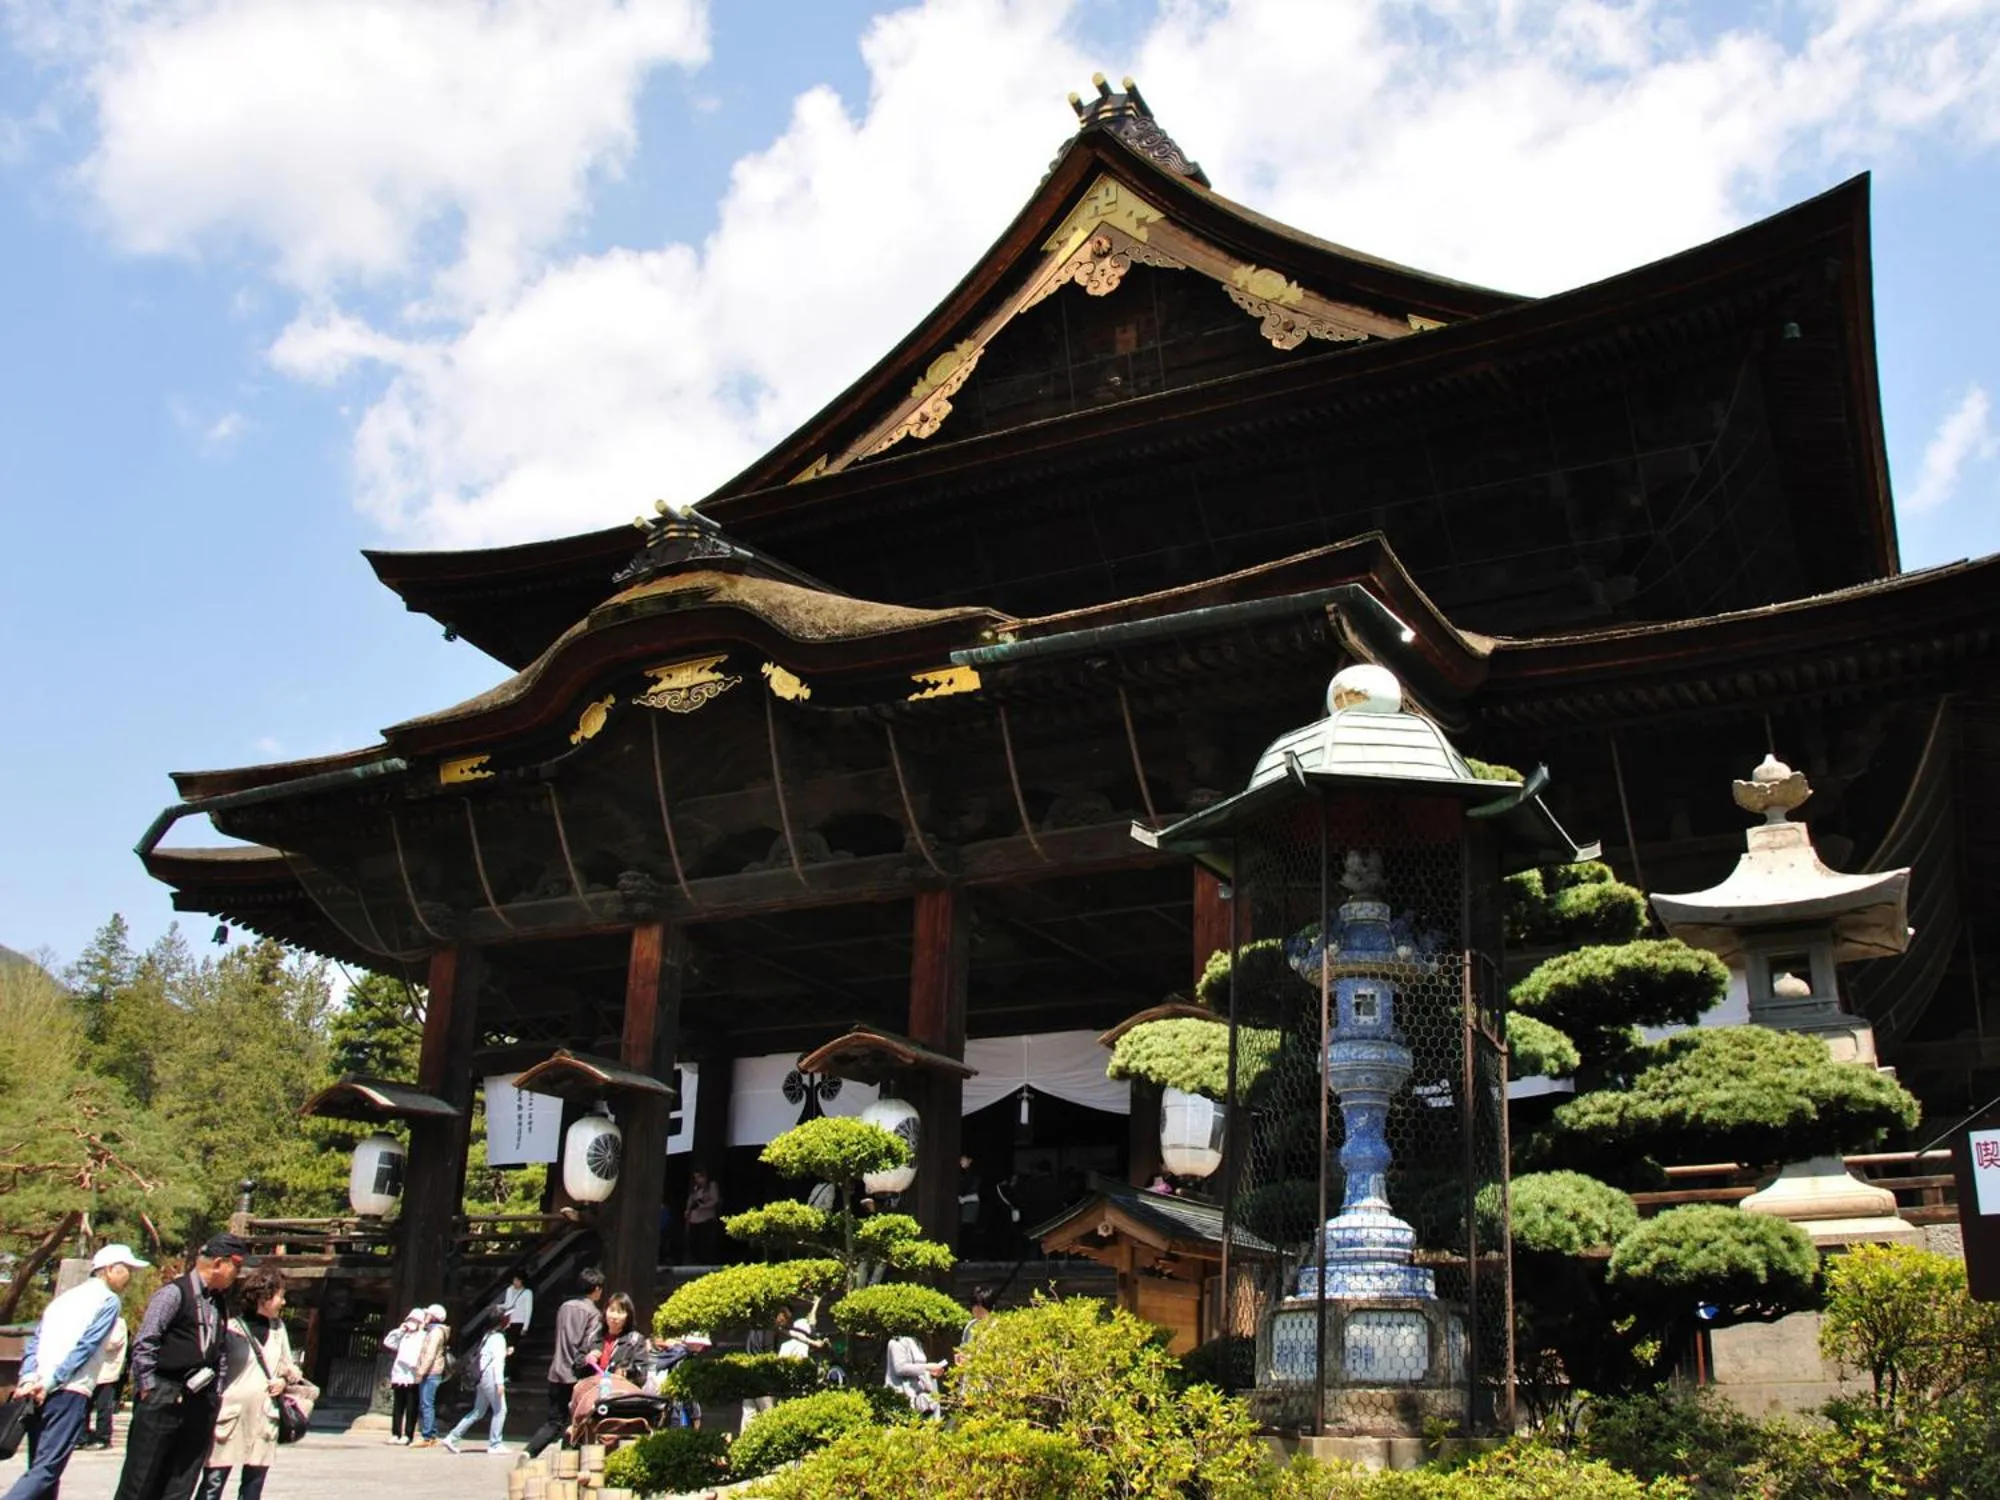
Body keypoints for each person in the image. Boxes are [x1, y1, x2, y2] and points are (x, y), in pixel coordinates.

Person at [3, 1241, 146, 1500]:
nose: (130, 1277)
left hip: (36, 1387)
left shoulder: (63, 1300)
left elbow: (36, 1339)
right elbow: (86, 1346)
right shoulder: (108, 1300)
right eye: (127, 1270)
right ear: (109, 1269)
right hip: (68, 1389)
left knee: (40, 1468)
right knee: (47, 1468)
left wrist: (29, 1377)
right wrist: (52, 1381)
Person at [112, 1233, 246, 1500]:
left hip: (200, 1399)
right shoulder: (174, 1293)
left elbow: (219, 1350)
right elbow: (146, 1340)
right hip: (164, 1392)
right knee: (141, 1479)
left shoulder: (218, 1301)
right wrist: (148, 1388)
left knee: (181, 1481)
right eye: (236, 1266)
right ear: (218, 1263)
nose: (237, 1274)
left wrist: (216, 1393)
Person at [201, 1264, 304, 1500]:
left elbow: (289, 1366)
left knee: (254, 1483)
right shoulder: (231, 1328)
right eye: (280, 1296)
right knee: (214, 1480)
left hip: (264, 1414)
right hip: (231, 1413)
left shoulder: (278, 1329)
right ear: (263, 1296)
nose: (283, 1302)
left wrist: (283, 1380)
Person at [523, 1267, 604, 1458]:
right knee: (577, 1421)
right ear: (596, 1289)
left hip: (556, 1370)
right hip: (575, 1375)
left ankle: (529, 1452)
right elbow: (588, 1344)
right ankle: (568, 1459)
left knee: (553, 1422)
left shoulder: (565, 1307)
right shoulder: (593, 1313)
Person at [440, 1322, 510, 1455]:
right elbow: (497, 1362)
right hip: (491, 1377)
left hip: (481, 1376)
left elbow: (487, 1356)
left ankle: (452, 1437)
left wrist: (505, 1352)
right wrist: (499, 1382)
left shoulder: (488, 1336)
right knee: (500, 1410)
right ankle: (495, 1443)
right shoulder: (499, 1338)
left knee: (478, 1411)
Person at [379, 1309, 425, 1446]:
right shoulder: (404, 1335)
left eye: (415, 1321)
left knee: (411, 1407)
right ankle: (395, 1433)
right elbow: (389, 1342)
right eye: (410, 1320)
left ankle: (408, 1435)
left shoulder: (422, 1336)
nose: (412, 1323)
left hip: (412, 1376)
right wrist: (400, 1330)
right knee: (398, 1406)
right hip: (399, 1375)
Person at [583, 1293, 650, 1383]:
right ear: (605, 1311)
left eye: (620, 1312)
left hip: (619, 1390)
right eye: (612, 1310)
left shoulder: (635, 1340)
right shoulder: (594, 1336)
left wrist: (625, 1373)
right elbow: (577, 1366)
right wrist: (587, 1360)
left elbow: (642, 1374)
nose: (614, 1316)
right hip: (594, 1388)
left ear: (628, 1316)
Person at [411, 1305, 450, 1446]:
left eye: (428, 1314)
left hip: (431, 1371)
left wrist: (421, 1372)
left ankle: (427, 1436)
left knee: (426, 1404)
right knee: (427, 1403)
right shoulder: (433, 1331)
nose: (425, 1316)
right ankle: (431, 1433)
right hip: (432, 1371)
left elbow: (430, 1354)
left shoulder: (435, 1333)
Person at [883, 1332, 945, 1417]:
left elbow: (919, 1369)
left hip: (918, 1398)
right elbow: (900, 1368)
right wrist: (927, 1367)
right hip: (902, 1398)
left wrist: (931, 1374)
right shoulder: (897, 1340)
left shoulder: (916, 1341)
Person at [683, 1172, 721, 1264]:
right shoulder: (695, 1188)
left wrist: (702, 1206)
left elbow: (715, 1200)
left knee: (705, 1242)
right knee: (693, 1241)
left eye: (700, 1177)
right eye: (695, 1178)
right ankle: (694, 1260)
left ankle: (705, 1260)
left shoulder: (711, 1185)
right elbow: (691, 1200)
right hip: (694, 1218)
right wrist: (688, 1210)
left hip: (706, 1218)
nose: (698, 1180)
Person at [954, 1286, 994, 1364]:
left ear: (990, 1308)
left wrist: (972, 1358)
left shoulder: (997, 1327)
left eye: (980, 1310)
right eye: (974, 1310)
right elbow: (963, 1347)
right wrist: (960, 1356)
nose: (977, 1314)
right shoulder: (970, 1325)